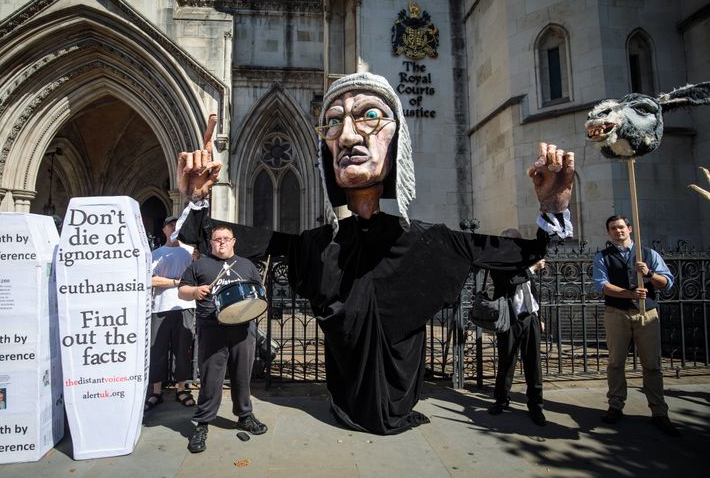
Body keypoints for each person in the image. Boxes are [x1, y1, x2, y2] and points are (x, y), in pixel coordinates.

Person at [176, 72, 575, 435]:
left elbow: (511, 253)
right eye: (333, 122)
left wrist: (552, 209)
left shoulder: (425, 242)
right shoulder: (319, 245)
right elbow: (235, 237)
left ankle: (396, 406)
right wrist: (196, 201)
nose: (348, 136)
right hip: (343, 393)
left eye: (369, 115)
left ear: (398, 140)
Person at [178, 224, 268, 453]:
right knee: (211, 378)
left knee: (242, 375)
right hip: (212, 327)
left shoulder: (246, 265)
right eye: (217, 239)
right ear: (211, 242)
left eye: (226, 238)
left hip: (242, 328)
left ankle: (244, 416)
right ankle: (202, 423)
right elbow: (182, 290)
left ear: (233, 241)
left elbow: (259, 290)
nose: (222, 242)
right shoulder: (200, 265)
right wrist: (195, 292)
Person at [592, 215, 679, 436]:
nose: (618, 231)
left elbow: (667, 283)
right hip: (616, 313)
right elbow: (602, 285)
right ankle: (615, 406)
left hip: (646, 314)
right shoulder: (603, 257)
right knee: (615, 362)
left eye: (621, 227)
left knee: (651, 365)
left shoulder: (648, 254)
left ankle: (659, 411)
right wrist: (630, 293)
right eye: (613, 228)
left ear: (630, 229)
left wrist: (648, 273)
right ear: (609, 232)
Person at [487, 228, 547, 426]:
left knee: (533, 363)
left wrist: (539, 316)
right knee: (507, 361)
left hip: (530, 317)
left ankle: (536, 405)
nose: (514, 244)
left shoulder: (526, 259)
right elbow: (510, 281)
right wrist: (531, 269)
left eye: (517, 241)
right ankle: (502, 399)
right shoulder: (499, 261)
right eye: (509, 240)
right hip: (510, 318)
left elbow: (533, 290)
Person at [145, 216, 196, 412]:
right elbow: (150, 281)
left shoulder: (191, 252)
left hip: (185, 306)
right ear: (164, 230)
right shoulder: (156, 253)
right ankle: (156, 391)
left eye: (178, 225)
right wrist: (177, 282)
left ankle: (181, 389)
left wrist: (166, 280)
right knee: (157, 350)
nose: (174, 228)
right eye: (170, 225)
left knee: (182, 350)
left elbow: (195, 277)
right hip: (160, 306)